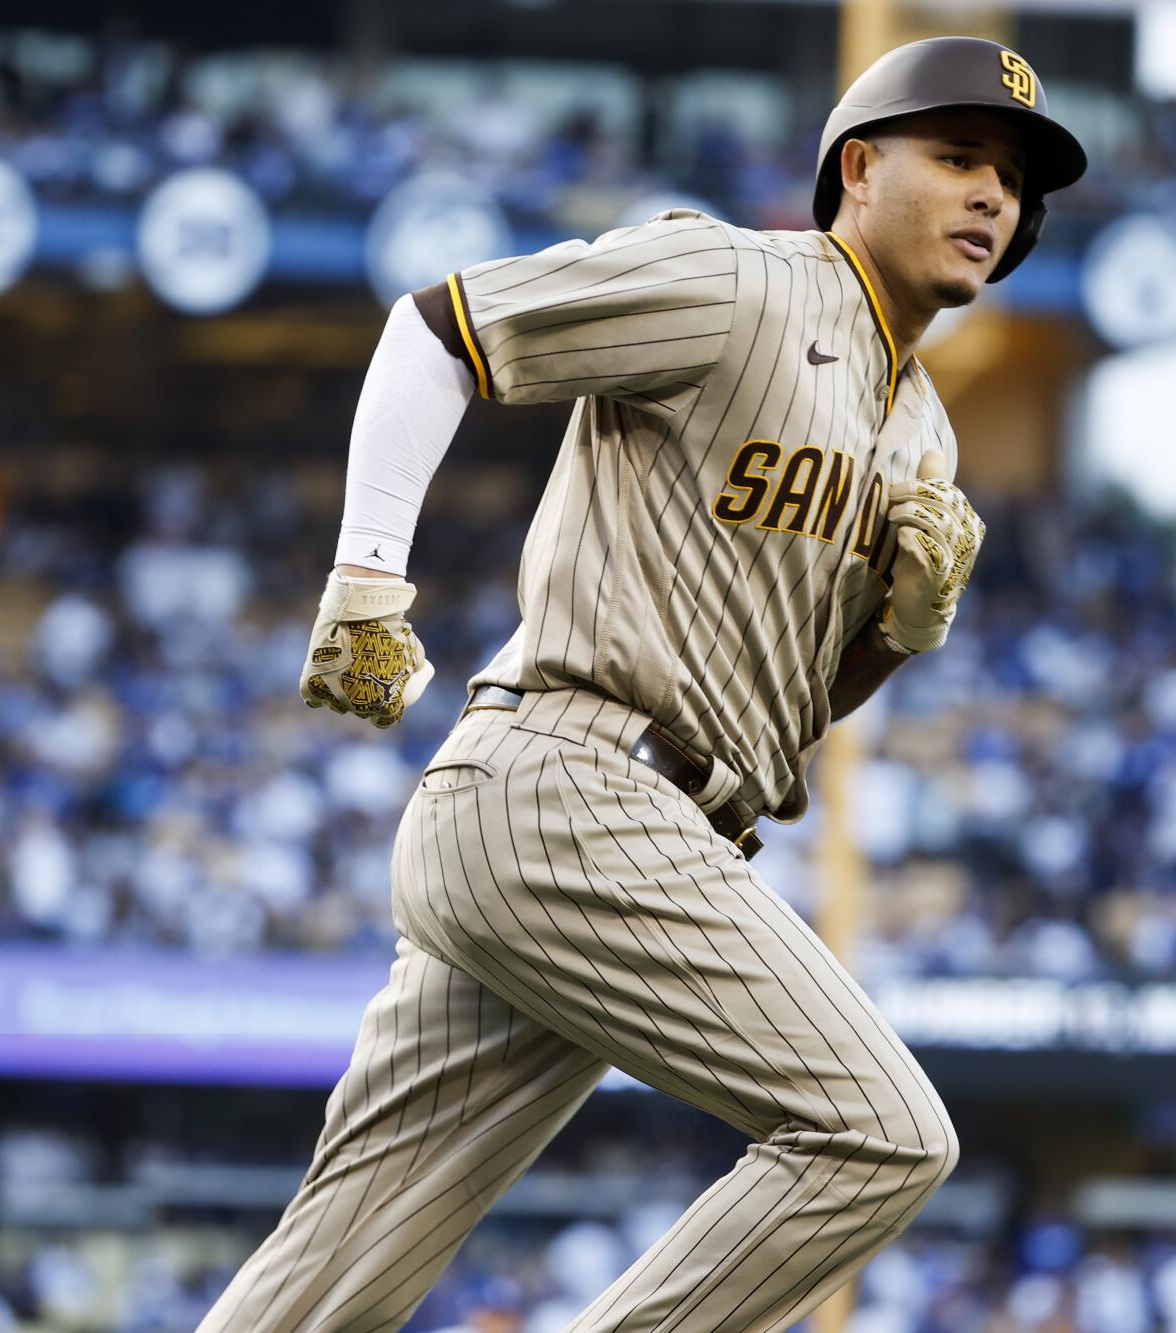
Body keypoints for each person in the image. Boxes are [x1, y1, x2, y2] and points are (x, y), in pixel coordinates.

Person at [200, 36, 1086, 1333]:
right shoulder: (738, 281)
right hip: (572, 781)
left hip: (634, 822)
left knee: (331, 1279)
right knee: (880, 1134)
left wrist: (900, 627)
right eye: (959, 157)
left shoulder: (928, 430)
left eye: (1013, 180)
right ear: (856, 166)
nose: (993, 196)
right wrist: (367, 575)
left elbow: (793, 703)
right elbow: (438, 329)